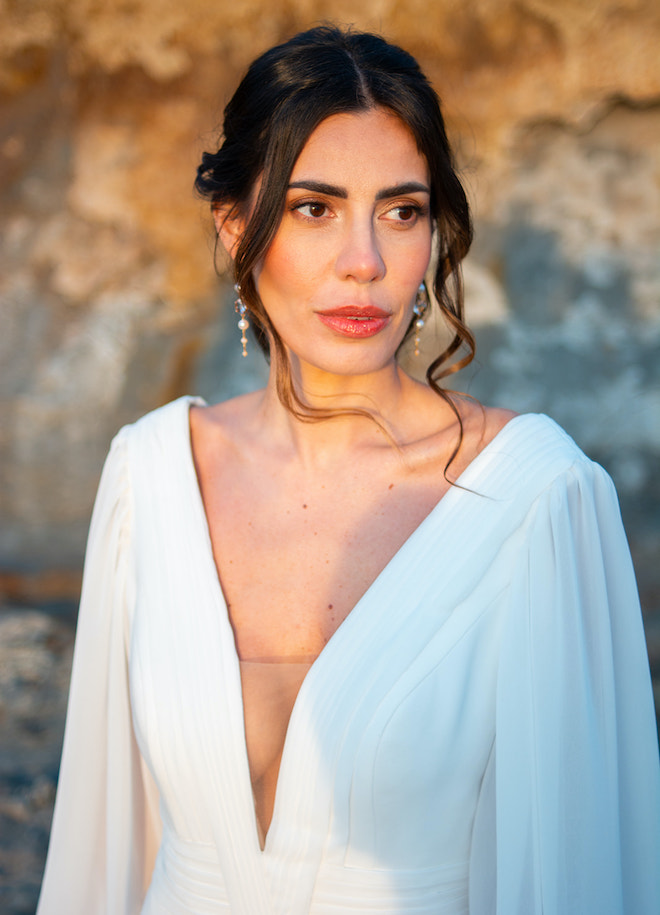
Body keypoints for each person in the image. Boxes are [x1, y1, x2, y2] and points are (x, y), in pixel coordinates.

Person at [36, 24, 659, 915]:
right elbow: (100, 865)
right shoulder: (152, 476)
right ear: (236, 226)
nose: (364, 262)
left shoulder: (538, 500)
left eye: (401, 211)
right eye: (314, 208)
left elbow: (576, 875)